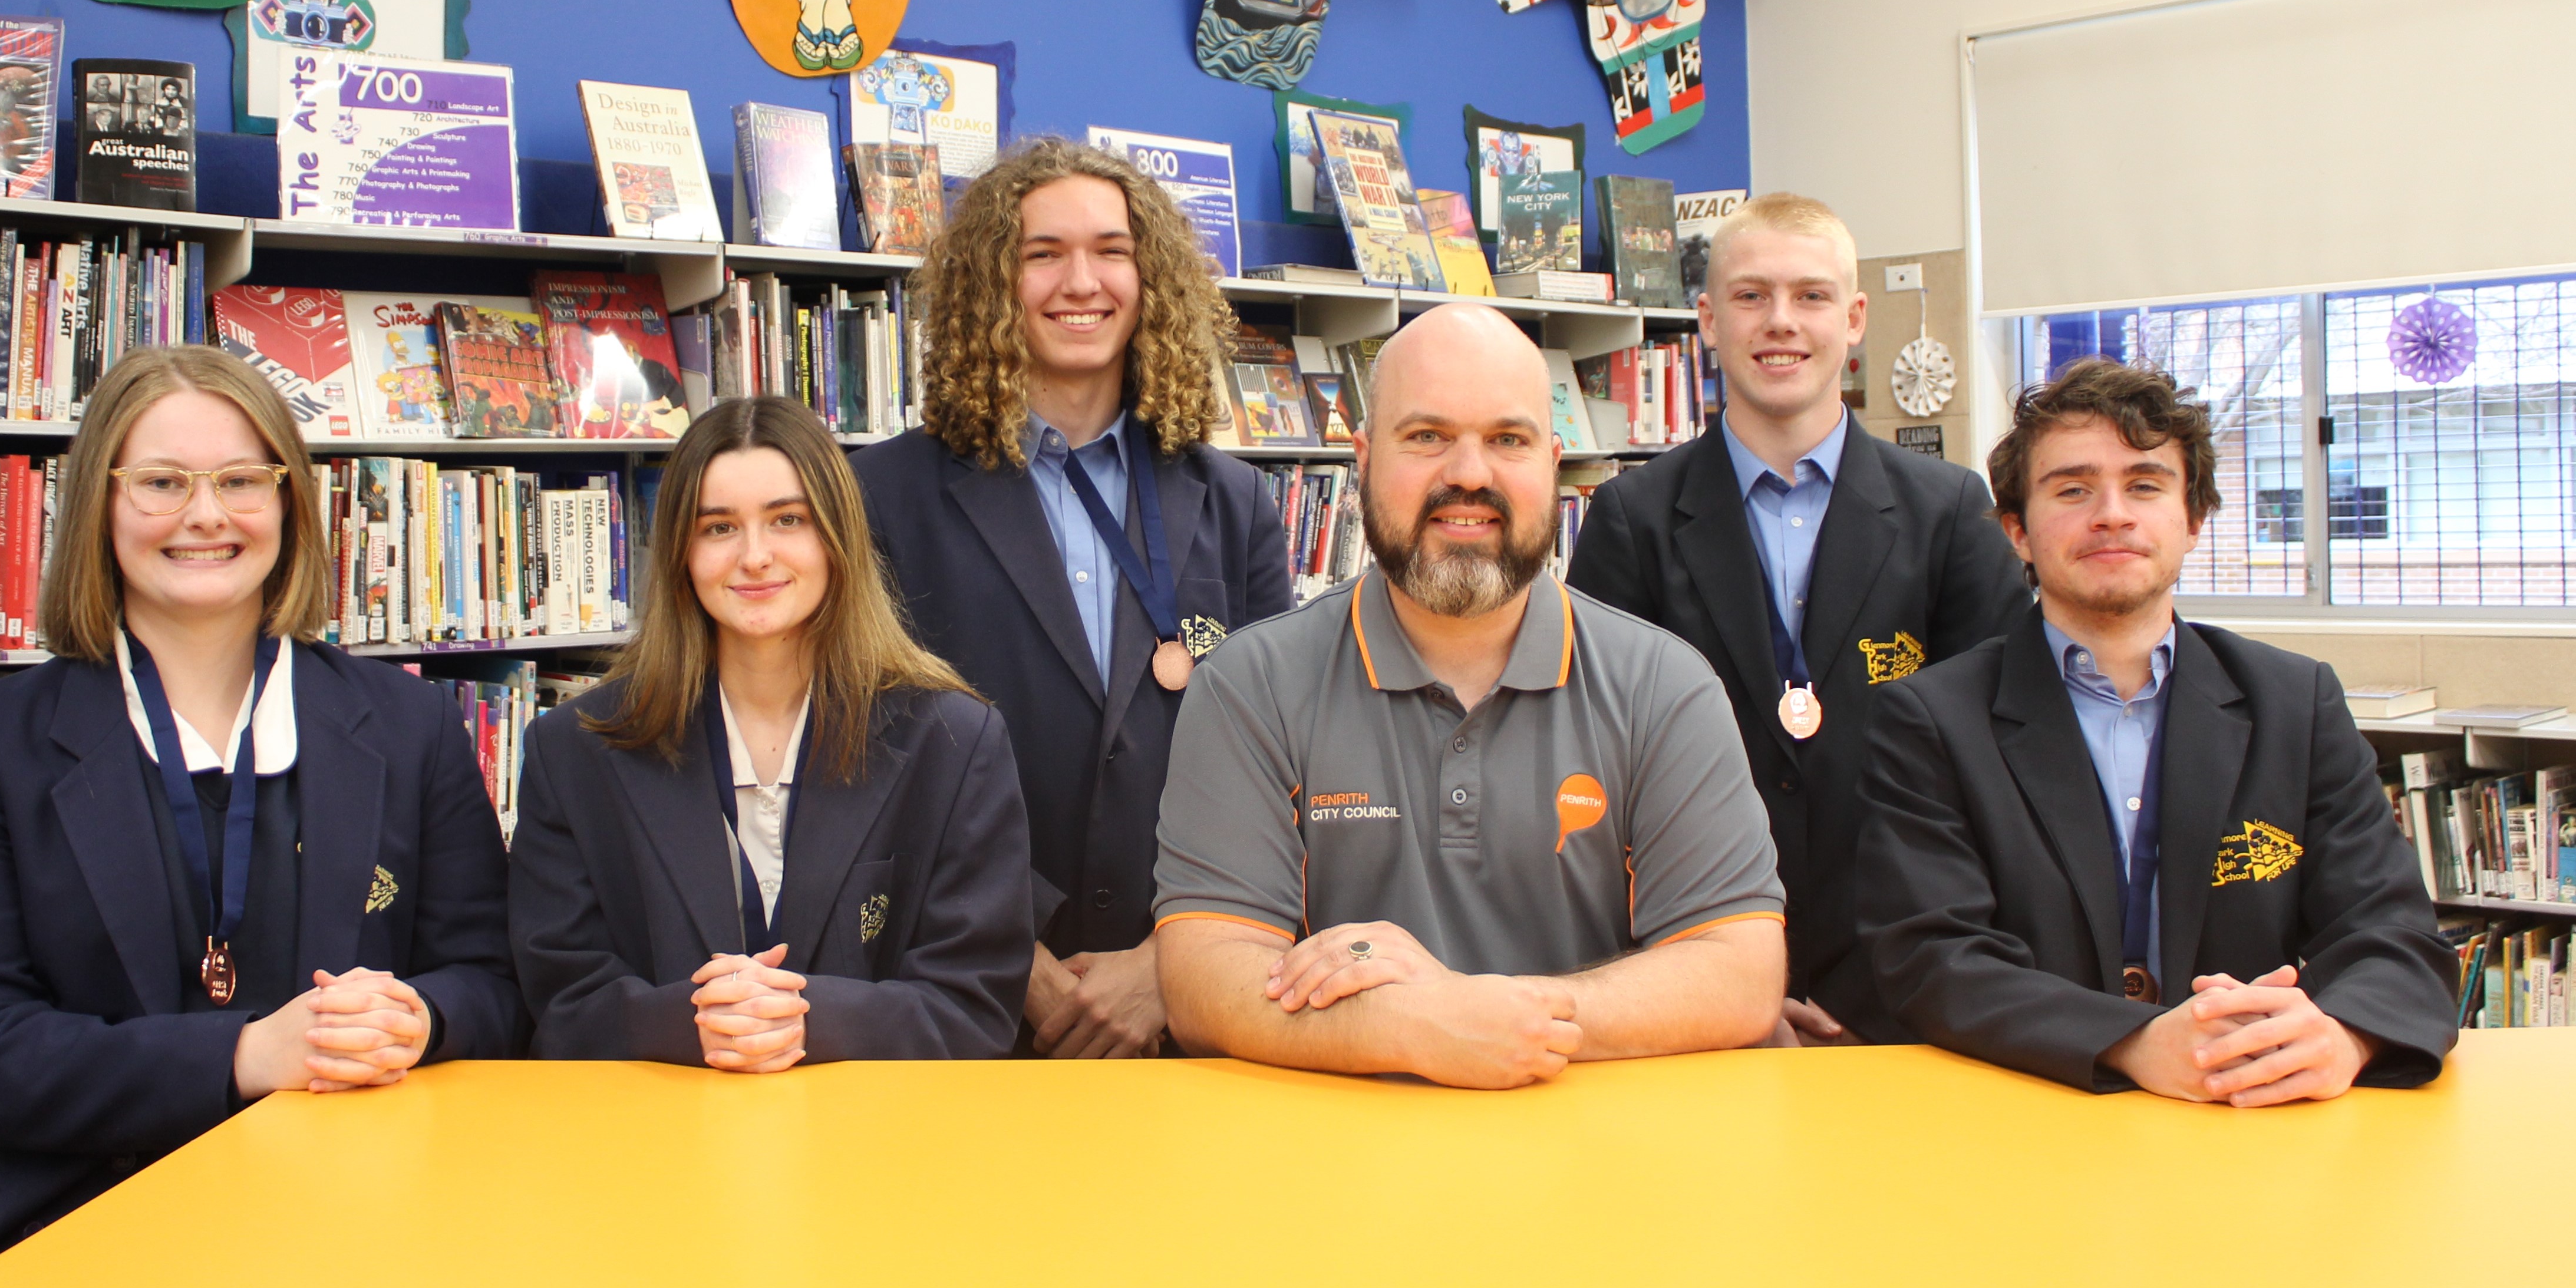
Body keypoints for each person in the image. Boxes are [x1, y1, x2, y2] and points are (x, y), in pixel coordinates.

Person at [0, 346, 524, 1288]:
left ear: (290, 502)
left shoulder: (409, 727)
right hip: (71, 1225)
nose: (206, 514)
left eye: (239, 480)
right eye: (163, 483)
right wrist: (243, 1055)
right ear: (101, 502)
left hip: (350, 1222)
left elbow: (494, 982)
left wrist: (420, 1018)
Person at [1150, 305, 1786, 1089]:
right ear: (1362, 458)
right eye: (1426, 436)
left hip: (1603, 1169)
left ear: (1555, 462)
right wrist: (1413, 1026)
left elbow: (1741, 970)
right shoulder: (1251, 685)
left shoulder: (1666, 686)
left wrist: (1495, 1015)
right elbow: (1205, 980)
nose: (1470, 473)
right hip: (1328, 1169)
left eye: (1508, 440)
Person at [1856, 358, 2459, 1101]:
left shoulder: (2295, 702)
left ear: (2193, 520)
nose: (2112, 512)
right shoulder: (1932, 718)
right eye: (2072, 489)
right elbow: (1930, 957)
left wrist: (2347, 1035)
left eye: (2145, 485)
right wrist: (2136, 1043)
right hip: (2032, 1117)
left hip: (2257, 1122)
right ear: (2017, 531)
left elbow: (2395, 936)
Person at [853, 138, 1293, 1059]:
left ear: (1153, 277)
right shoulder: (882, 496)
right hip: (962, 993)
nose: (1080, 281)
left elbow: (1282, 760)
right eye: (1040, 253)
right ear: (990, 283)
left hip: (1190, 1003)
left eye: (1112, 250)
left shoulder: (1235, 501)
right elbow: (868, 759)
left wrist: (1168, 961)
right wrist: (1018, 956)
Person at [1562, 193, 2028, 1047]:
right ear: (1706, 317)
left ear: (1853, 319)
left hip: (1907, 983)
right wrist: (1719, 984)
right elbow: (1594, 769)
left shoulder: (1950, 512)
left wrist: (1921, 975)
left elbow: (1999, 764)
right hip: (1688, 973)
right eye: (1751, 296)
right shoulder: (1632, 518)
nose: (1782, 322)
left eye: (1811, 296)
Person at [510, 398, 1035, 1066]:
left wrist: (808, 1019)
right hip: (651, 1143)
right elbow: (558, 1005)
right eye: (719, 527)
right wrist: (694, 1023)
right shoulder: (574, 749)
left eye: (789, 520)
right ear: (679, 553)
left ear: (838, 538)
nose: (755, 556)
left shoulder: (957, 743)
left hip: (882, 1146)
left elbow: (979, 1005)